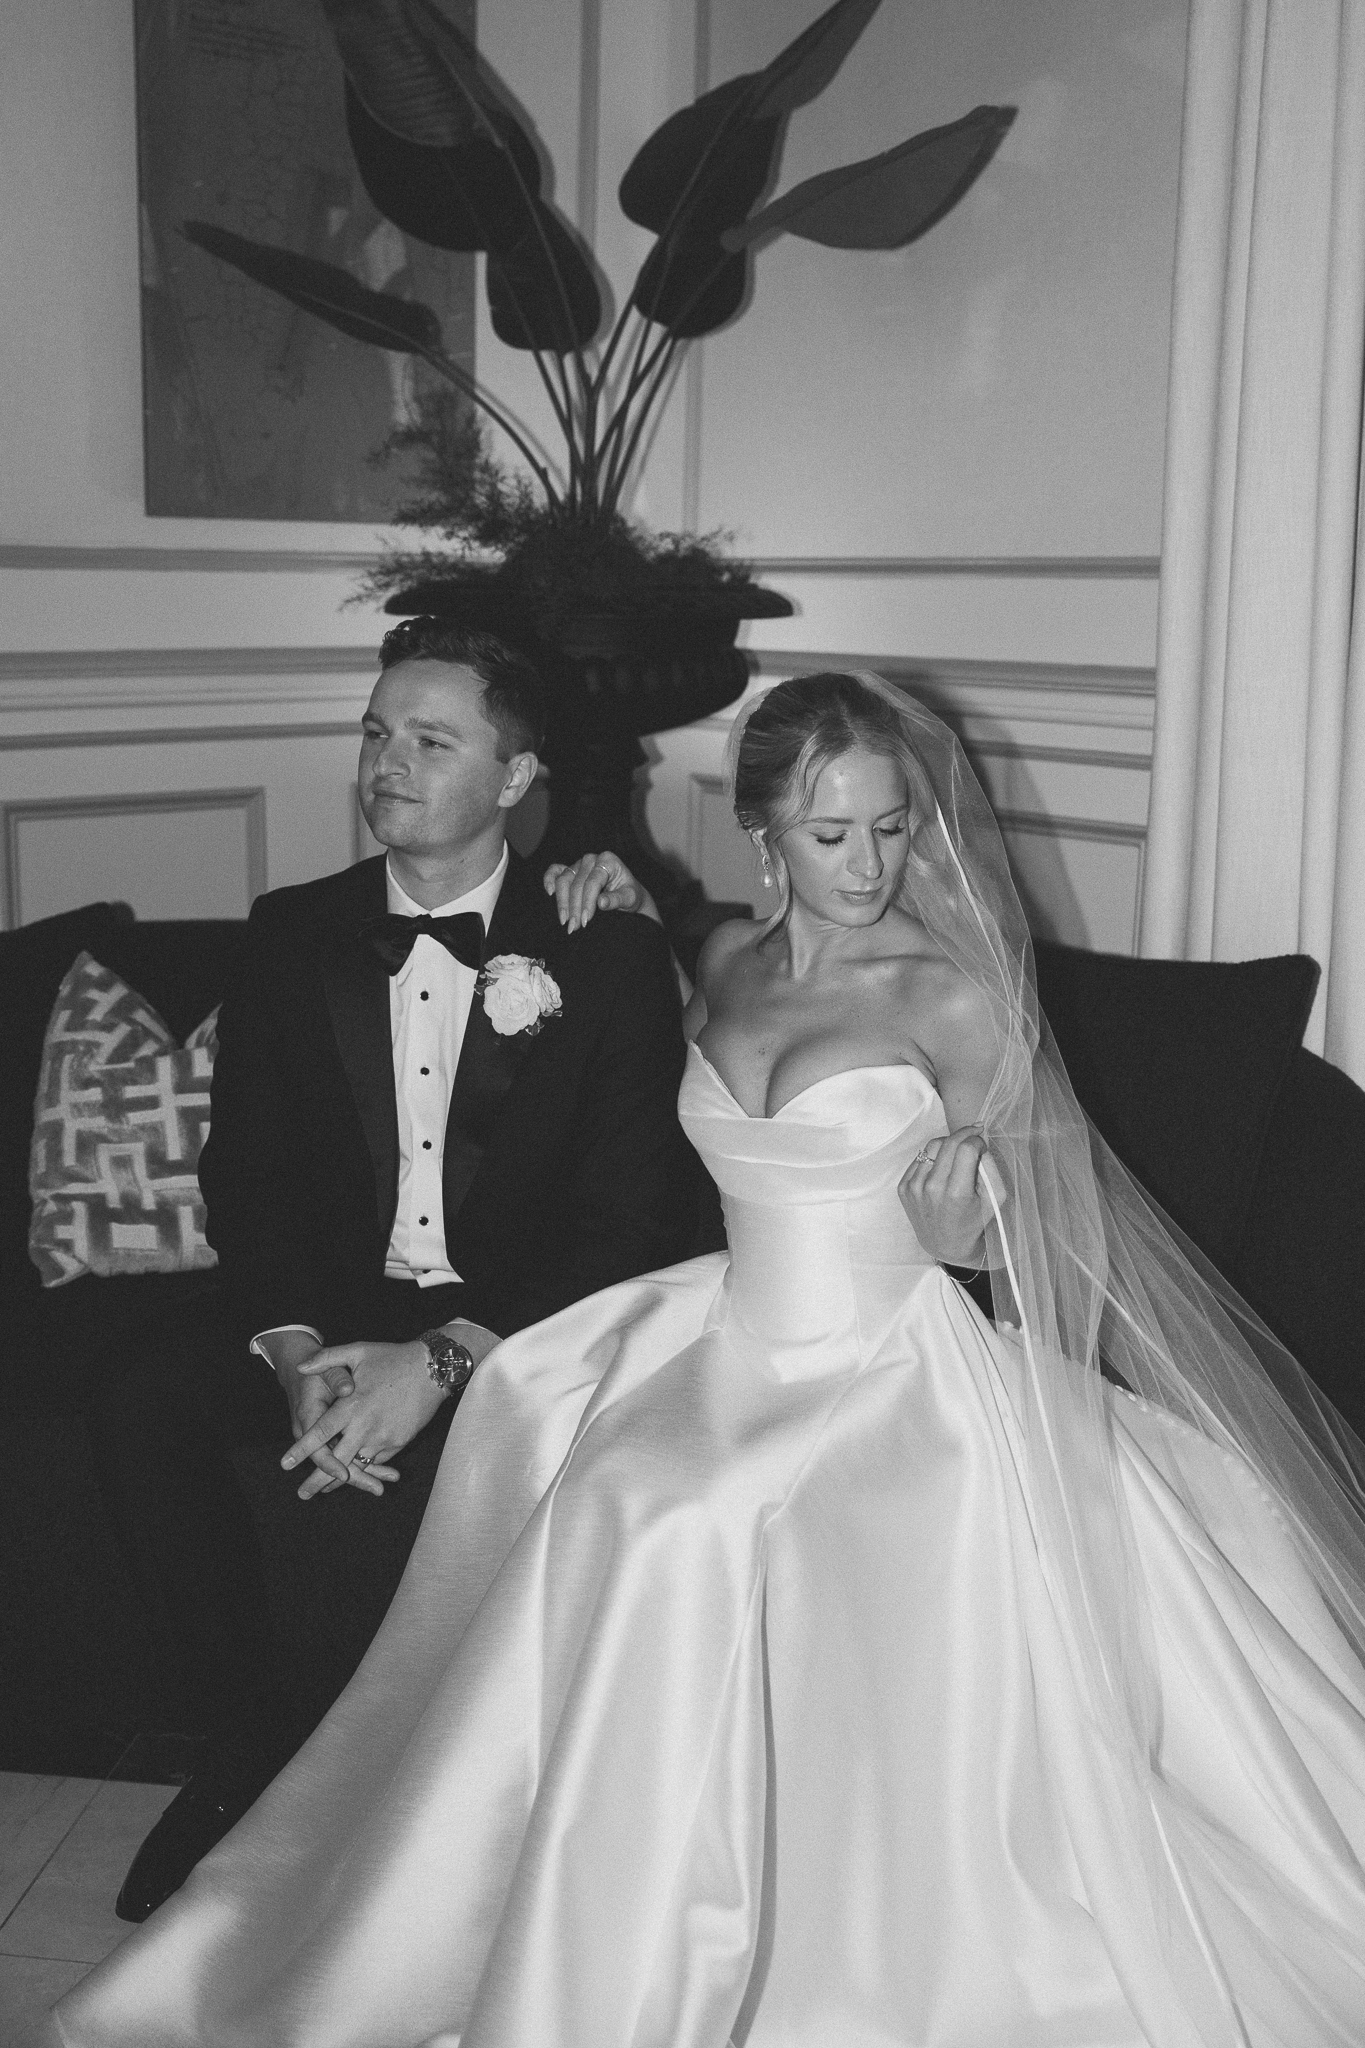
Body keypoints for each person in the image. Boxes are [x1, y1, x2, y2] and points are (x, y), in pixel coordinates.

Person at [53, 673, 1365, 2046]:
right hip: (723, 1333)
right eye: (829, 834)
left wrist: (965, 1231)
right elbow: (623, 1092)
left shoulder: (959, 994)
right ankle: (568, 1908)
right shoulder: (720, 960)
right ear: (763, 838)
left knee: (693, 1516)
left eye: (890, 828)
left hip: (888, 1361)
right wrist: (613, 902)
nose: (869, 866)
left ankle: (723, 1951)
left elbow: (1035, 1218)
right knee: (584, 1459)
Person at [97, 616, 700, 1923]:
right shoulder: (289, 931)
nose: (387, 762)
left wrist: (442, 1364)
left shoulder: (601, 949)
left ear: (517, 776)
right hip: (329, 1307)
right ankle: (239, 1761)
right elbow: (247, 1172)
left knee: (438, 1485)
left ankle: (419, 1837)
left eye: (433, 740)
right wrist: (294, 1349)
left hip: (518, 1327)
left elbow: (627, 1221)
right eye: (377, 732)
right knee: (143, 1408)